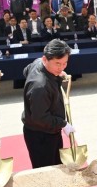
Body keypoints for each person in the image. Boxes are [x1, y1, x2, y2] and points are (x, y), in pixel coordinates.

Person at [21, 39, 73, 168]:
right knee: (46, 170)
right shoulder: (40, 86)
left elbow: (26, 71)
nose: (61, 67)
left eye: (65, 63)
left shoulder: (38, 63)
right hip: (41, 135)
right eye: (57, 64)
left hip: (50, 129)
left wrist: (57, 74)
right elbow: (40, 118)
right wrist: (63, 123)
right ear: (45, 59)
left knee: (57, 165)